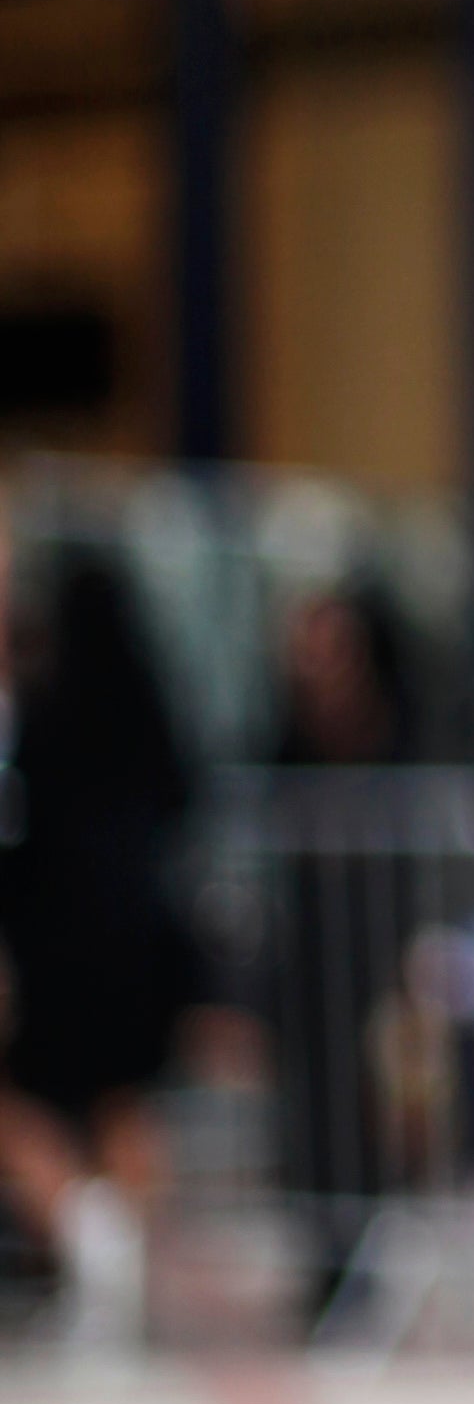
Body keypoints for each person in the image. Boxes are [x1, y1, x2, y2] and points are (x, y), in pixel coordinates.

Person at [0, 529, 201, 1338]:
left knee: (31, 1103)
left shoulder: (44, 717)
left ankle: (88, 1235)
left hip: (56, 949)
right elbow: (185, 806)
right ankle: (121, 1265)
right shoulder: (151, 708)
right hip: (142, 948)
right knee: (127, 1106)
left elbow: (20, 840)